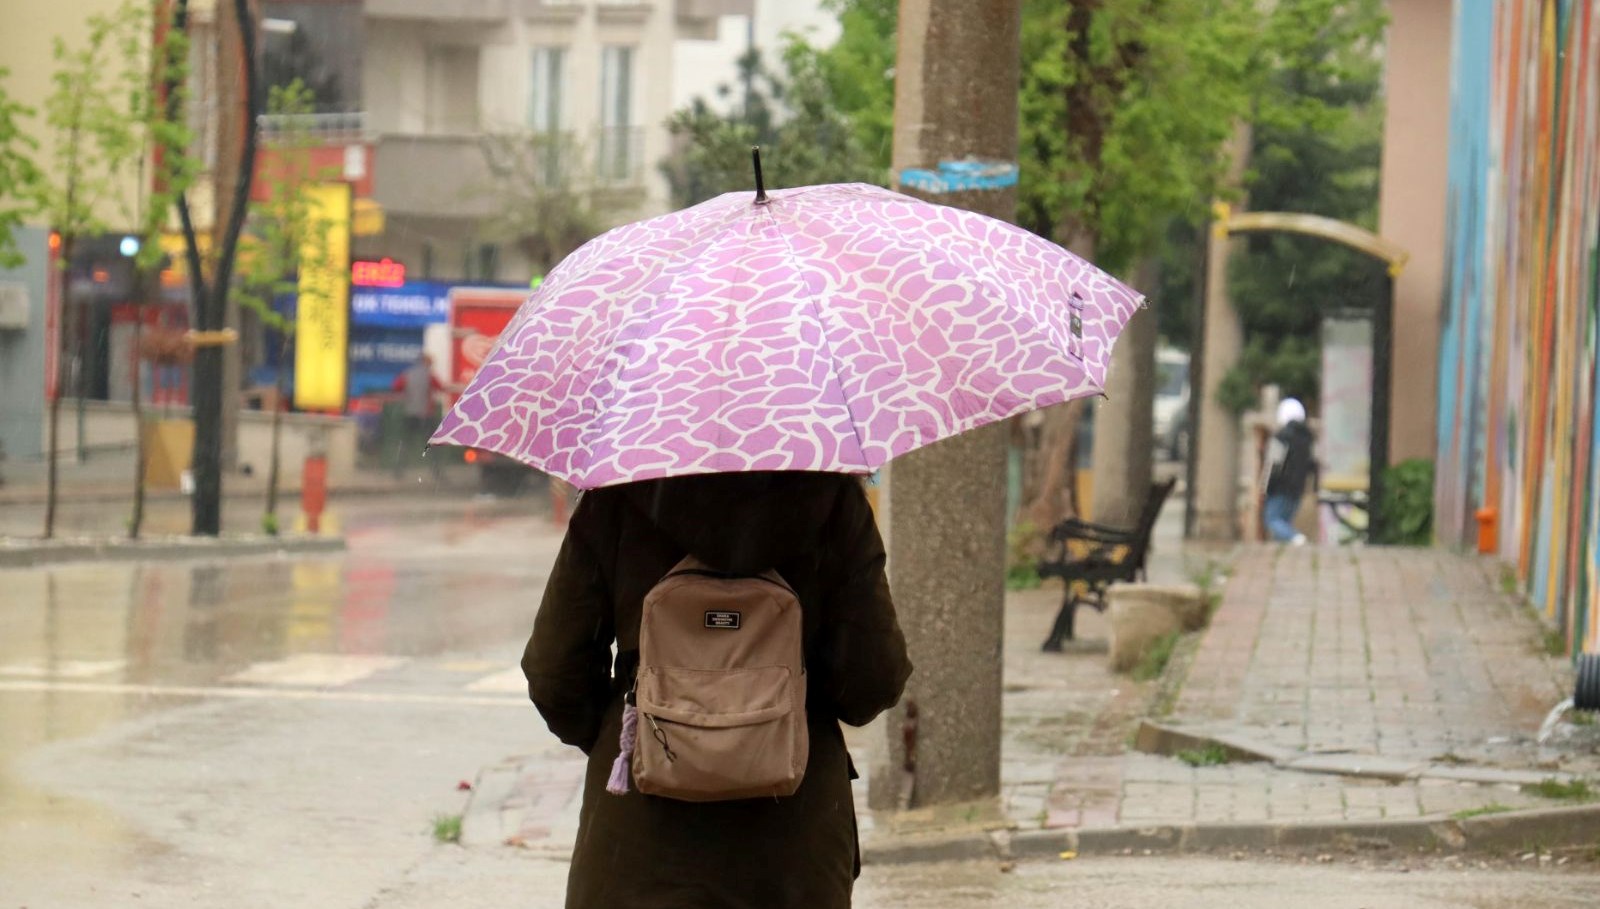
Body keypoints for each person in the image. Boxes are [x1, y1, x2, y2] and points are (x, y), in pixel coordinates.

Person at [524, 471, 911, 909]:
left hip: (638, 848)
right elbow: (872, 680)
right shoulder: (831, 500)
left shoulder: (617, 496)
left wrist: (636, 730)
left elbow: (554, 671)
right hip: (791, 849)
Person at [1263, 397, 1317, 545]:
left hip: (1279, 487)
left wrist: (1266, 487)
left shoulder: (1280, 437)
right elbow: (1312, 465)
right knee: (1284, 521)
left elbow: (1273, 464)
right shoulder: (1308, 439)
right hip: (1298, 489)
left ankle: (1296, 538)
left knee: (1272, 520)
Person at [390, 352, 443, 477]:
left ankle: (399, 470)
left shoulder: (407, 374)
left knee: (406, 443)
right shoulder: (429, 376)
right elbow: (440, 387)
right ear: (426, 363)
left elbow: (396, 386)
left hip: (410, 413)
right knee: (430, 445)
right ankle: (435, 471)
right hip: (426, 415)